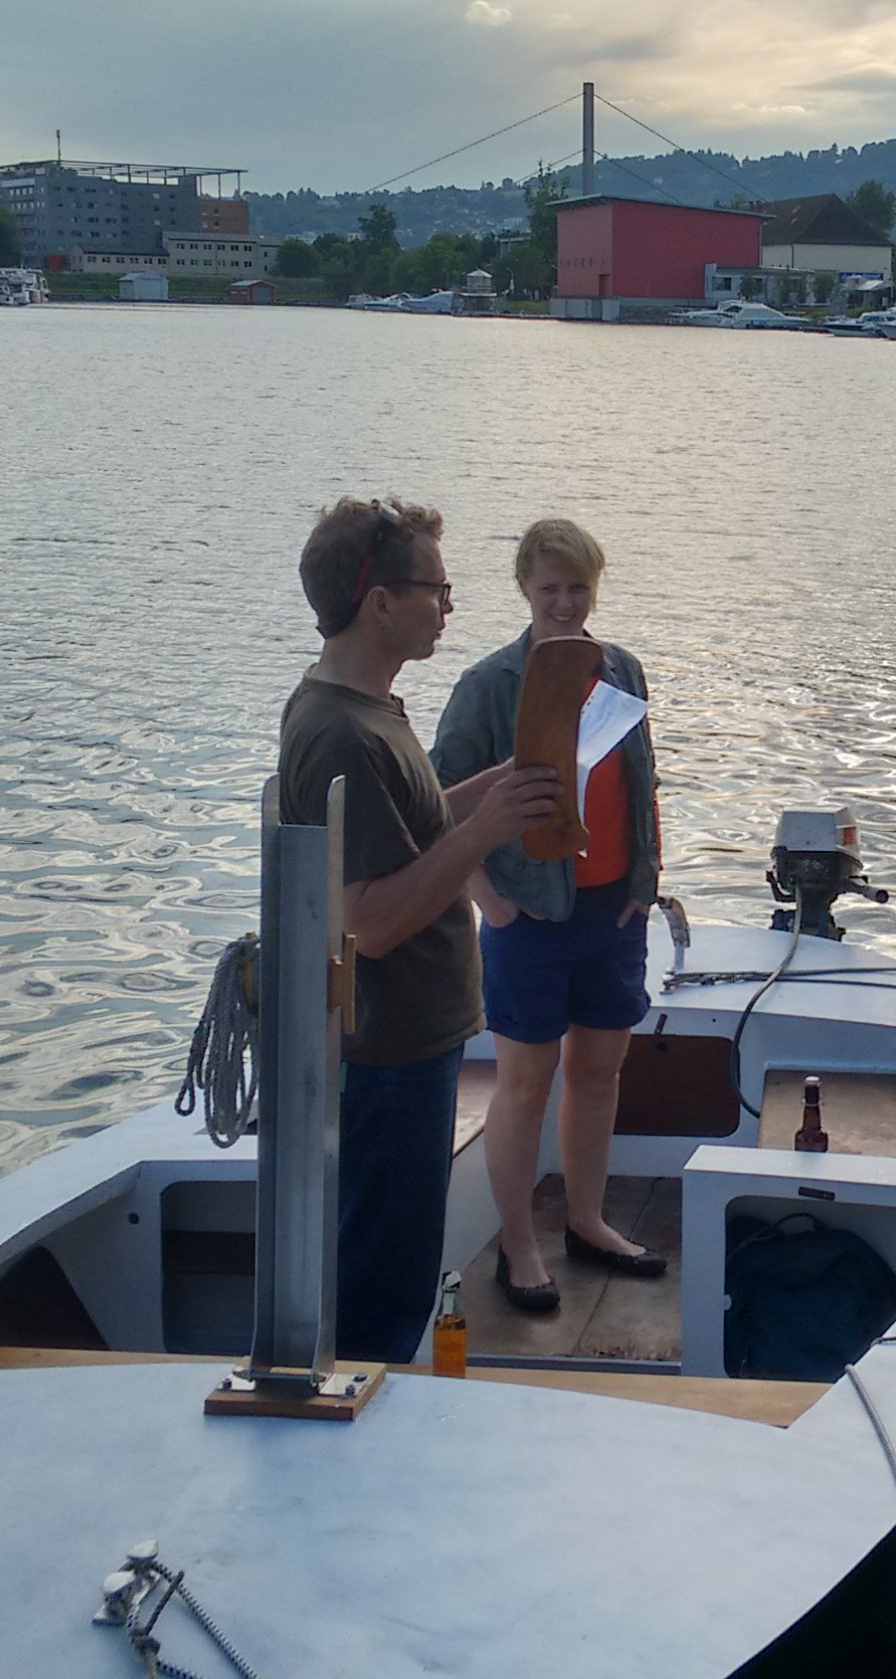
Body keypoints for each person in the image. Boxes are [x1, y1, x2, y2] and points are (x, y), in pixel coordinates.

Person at [277, 496, 556, 1361]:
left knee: (393, 1264)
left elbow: (411, 829)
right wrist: (481, 832)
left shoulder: (370, 711)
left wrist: (496, 786)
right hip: (386, 1057)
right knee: (383, 1287)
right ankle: (362, 1443)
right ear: (379, 601)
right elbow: (368, 922)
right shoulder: (342, 736)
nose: (447, 606)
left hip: (411, 1047)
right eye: (437, 588)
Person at [431, 518, 668, 1311]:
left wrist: (647, 878)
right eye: (550, 590)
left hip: (613, 910)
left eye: (578, 588)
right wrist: (490, 903)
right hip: (527, 913)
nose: (565, 605)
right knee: (526, 1083)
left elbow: (644, 784)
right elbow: (436, 808)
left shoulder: (623, 668)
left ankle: (587, 1223)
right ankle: (520, 1248)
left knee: (598, 1075)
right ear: (524, 590)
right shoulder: (490, 685)